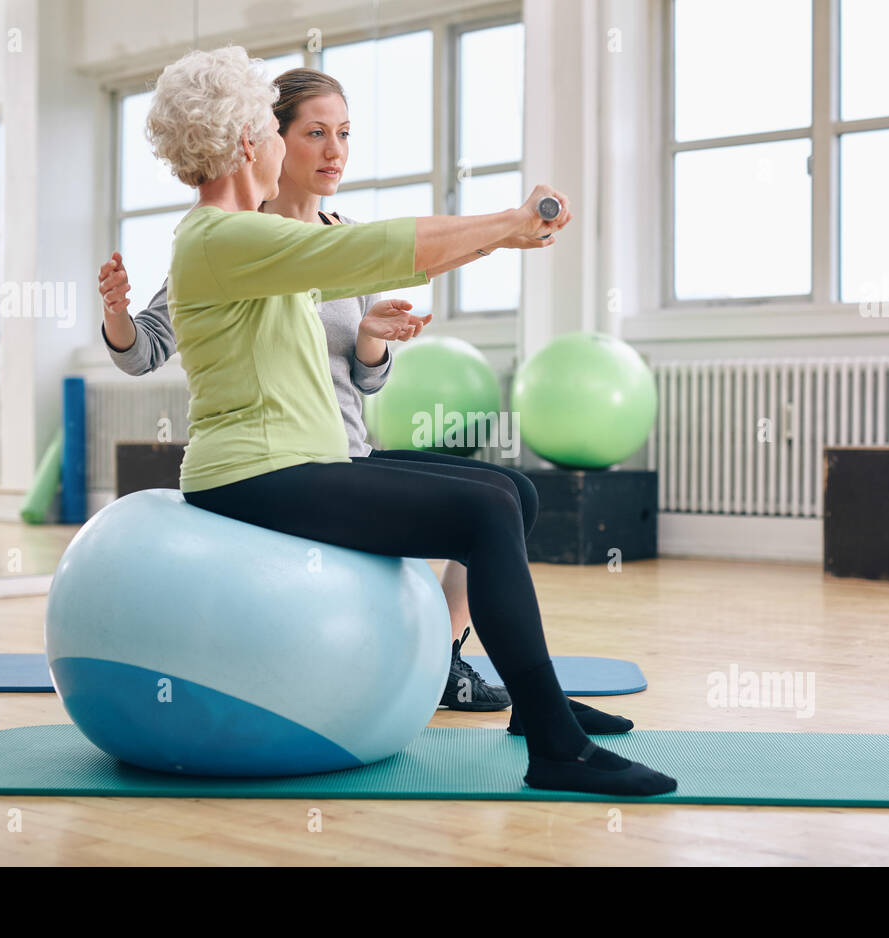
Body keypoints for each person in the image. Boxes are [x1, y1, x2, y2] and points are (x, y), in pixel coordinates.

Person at [138, 45, 674, 795]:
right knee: (484, 513)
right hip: (254, 472)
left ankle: (533, 709)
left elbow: (358, 255)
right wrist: (507, 224)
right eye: (276, 126)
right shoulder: (224, 237)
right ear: (245, 143)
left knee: (510, 493)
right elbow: (374, 250)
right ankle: (554, 742)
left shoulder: (244, 236)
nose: (311, 147)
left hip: (303, 457)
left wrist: (496, 238)